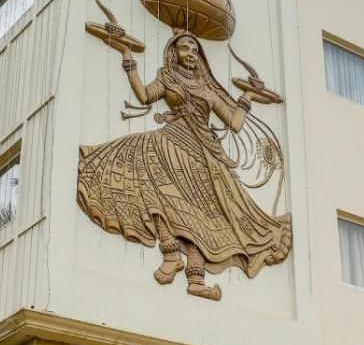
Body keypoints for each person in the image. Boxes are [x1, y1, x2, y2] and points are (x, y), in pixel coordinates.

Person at [77, 31, 292, 300]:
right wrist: (127, 56)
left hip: (201, 154)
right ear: (174, 53)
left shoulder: (208, 89)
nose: (190, 53)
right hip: (169, 142)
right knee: (154, 189)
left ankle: (195, 279)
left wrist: (247, 96)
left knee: (196, 214)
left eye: (194, 49)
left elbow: (235, 123)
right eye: (184, 48)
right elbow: (144, 95)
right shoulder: (168, 78)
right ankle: (170, 254)